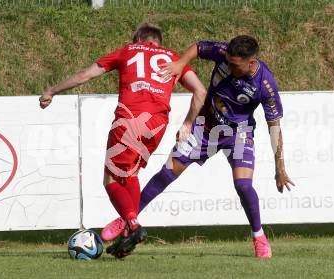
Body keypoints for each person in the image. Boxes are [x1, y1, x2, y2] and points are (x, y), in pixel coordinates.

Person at [113, 35, 295, 259]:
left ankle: (258, 236)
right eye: (227, 61)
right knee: (166, 173)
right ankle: (127, 220)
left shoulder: (265, 84)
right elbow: (198, 48)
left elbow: (274, 126)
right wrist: (180, 63)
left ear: (251, 62)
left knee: (243, 185)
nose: (229, 66)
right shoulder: (222, 52)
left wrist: (280, 168)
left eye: (235, 65)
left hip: (237, 133)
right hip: (204, 126)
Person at [38, 23, 207, 258]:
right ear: (159, 41)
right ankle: (129, 230)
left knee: (110, 179)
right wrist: (187, 124)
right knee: (130, 175)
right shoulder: (174, 58)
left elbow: (85, 75)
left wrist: (52, 91)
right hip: (156, 124)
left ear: (137, 38)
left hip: (129, 119)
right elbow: (200, 92)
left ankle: (133, 225)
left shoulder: (129, 50)